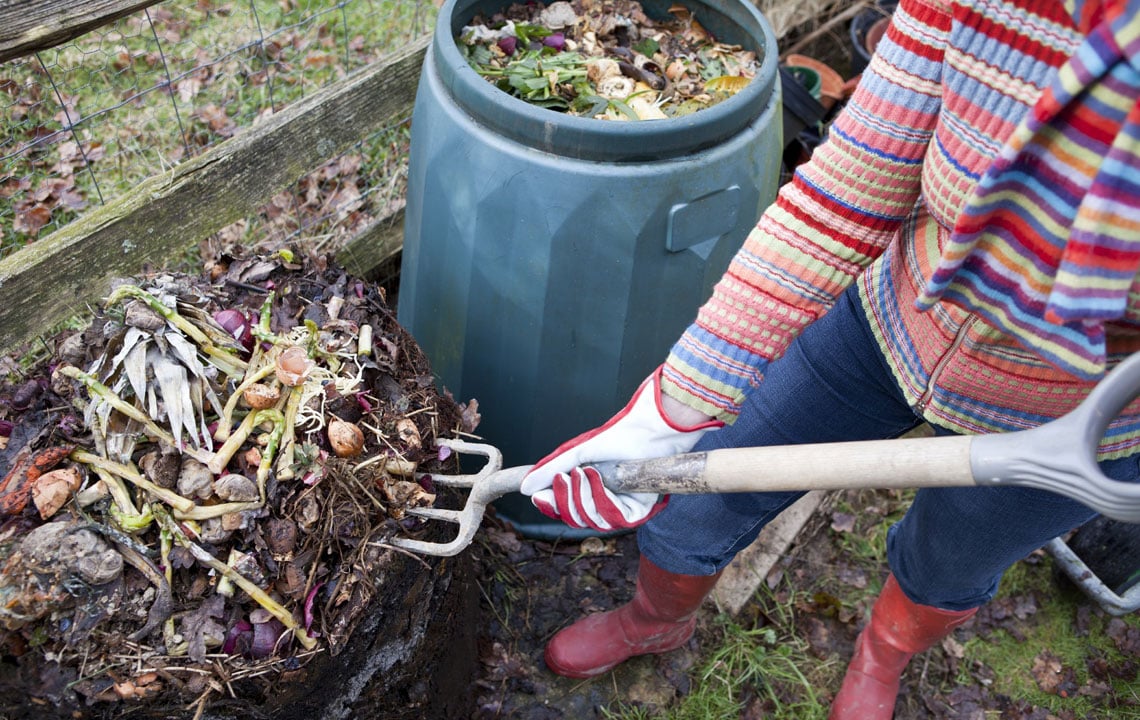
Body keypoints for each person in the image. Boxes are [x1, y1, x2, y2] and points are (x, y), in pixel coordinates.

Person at [518, 0, 1140, 716]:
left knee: (950, 567)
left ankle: (882, 655)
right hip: (887, 321)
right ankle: (654, 622)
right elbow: (847, 191)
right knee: (697, 493)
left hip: (1075, 414)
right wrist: (672, 404)